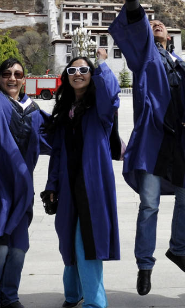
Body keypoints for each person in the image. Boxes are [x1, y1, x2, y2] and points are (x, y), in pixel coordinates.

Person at [109, 0, 185, 296]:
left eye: (161, 25)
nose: (157, 24)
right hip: (152, 140)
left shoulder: (182, 66)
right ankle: (145, 265)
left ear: (170, 38)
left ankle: (179, 249)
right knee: (149, 204)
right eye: (152, 23)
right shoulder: (145, 56)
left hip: (179, 140)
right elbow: (135, 23)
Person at [0, 15, 54, 308]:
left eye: (17, 74)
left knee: (18, 247)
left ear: (24, 79)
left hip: (22, 187)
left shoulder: (34, 111)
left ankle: (10, 295)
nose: (12, 78)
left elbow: (56, 138)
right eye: (7, 74)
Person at [42, 50, 121, 308]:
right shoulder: (65, 111)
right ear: (66, 76)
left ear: (92, 75)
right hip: (68, 183)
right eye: (73, 70)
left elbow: (111, 93)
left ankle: (94, 302)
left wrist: (102, 64)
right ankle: (73, 293)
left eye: (84, 70)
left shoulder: (100, 109)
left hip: (93, 183)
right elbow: (57, 153)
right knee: (68, 238)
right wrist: (52, 184)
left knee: (87, 239)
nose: (78, 74)